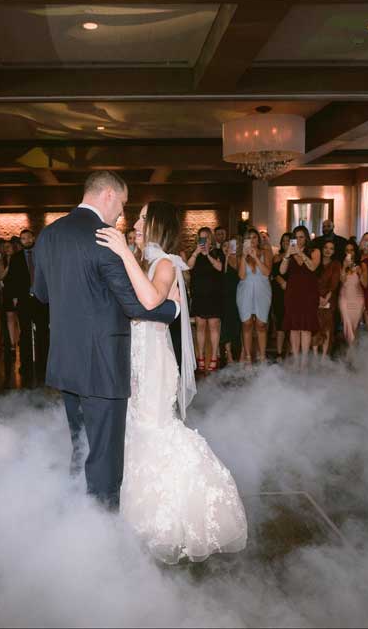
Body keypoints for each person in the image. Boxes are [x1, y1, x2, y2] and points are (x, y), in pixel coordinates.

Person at [95, 200, 247, 564]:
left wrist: (124, 253)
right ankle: (137, 512)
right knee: (135, 426)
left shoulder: (166, 263)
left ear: (157, 225)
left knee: (155, 426)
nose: (134, 223)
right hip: (133, 354)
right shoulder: (143, 259)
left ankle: (183, 511)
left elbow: (150, 301)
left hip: (154, 359)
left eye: (143, 218)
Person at [32, 171, 179, 510]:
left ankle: (75, 519)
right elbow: (132, 303)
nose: (122, 215)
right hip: (102, 365)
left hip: (65, 362)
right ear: (109, 195)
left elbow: (40, 294)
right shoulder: (104, 237)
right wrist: (172, 310)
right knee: (105, 460)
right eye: (123, 205)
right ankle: (102, 537)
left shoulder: (48, 235)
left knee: (81, 445)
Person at [6, 229, 49, 381]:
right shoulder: (16, 258)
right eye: (23, 239)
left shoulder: (43, 255)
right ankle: (25, 364)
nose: (26, 240)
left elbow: (49, 276)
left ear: (33, 238)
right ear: (21, 241)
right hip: (24, 299)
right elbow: (11, 280)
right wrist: (14, 297)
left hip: (41, 299)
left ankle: (44, 364)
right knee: (24, 332)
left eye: (28, 238)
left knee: (43, 332)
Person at [280, 226, 320, 364]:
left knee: (306, 327)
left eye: (301, 237)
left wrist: (300, 253)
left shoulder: (314, 251)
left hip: (308, 293)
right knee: (294, 327)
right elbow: (282, 271)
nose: (299, 239)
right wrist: (287, 254)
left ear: (306, 238)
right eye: (296, 237)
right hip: (293, 293)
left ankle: (304, 361)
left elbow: (313, 267)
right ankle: (296, 360)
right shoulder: (289, 253)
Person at [186, 227, 224, 371]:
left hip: (214, 295)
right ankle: (200, 356)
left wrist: (208, 255)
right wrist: (197, 252)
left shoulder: (217, 252)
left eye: (206, 238)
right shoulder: (194, 254)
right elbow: (188, 266)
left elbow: (220, 268)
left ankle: (214, 356)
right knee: (200, 326)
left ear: (210, 239)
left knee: (214, 325)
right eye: (201, 238)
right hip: (199, 295)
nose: (204, 241)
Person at [236, 228, 273, 364]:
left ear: (258, 239)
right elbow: (241, 275)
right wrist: (244, 257)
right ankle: (248, 358)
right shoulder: (241, 255)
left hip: (262, 289)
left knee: (261, 324)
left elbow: (267, 272)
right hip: (245, 290)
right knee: (246, 323)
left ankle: (262, 357)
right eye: (249, 238)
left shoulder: (266, 252)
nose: (252, 240)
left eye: (254, 237)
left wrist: (256, 257)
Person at [312, 240, 341, 356]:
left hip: (329, 298)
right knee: (315, 325)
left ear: (334, 251)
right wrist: (318, 297)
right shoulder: (315, 262)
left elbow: (334, 284)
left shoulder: (336, 264)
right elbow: (311, 282)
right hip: (314, 297)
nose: (328, 250)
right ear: (321, 249)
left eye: (331, 248)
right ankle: (314, 355)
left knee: (327, 326)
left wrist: (326, 299)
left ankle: (324, 356)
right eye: (326, 247)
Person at [339, 240, 367, 348]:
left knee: (354, 327)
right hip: (344, 298)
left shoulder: (362, 265)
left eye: (352, 250)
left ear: (355, 251)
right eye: (347, 250)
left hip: (358, 299)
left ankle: (352, 353)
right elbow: (341, 281)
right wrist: (344, 267)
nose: (349, 252)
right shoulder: (341, 264)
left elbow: (365, 284)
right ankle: (351, 354)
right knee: (347, 325)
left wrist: (359, 272)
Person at [219, 238, 241, 366]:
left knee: (236, 324)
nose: (228, 248)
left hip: (238, 295)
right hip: (225, 297)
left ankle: (238, 352)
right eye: (225, 246)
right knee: (226, 325)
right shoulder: (220, 259)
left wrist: (233, 257)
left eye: (230, 245)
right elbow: (223, 272)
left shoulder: (239, 259)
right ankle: (228, 354)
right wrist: (227, 257)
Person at [270, 233, 291, 362]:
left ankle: (289, 352)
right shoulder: (277, 257)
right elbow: (274, 273)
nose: (285, 242)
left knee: (291, 323)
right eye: (283, 240)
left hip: (293, 292)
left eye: (288, 240)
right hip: (279, 291)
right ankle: (278, 353)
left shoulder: (295, 256)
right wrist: (281, 282)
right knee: (280, 322)